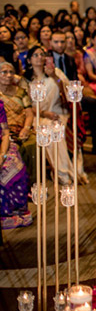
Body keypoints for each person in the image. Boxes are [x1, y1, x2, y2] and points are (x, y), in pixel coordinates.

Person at [24, 46, 80, 185]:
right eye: (35, 55)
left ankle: (64, 172)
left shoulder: (56, 73)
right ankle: (61, 172)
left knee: (55, 129)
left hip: (57, 112)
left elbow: (66, 95)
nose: (39, 57)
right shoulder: (25, 80)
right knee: (45, 128)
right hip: (36, 115)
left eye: (42, 54)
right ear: (29, 60)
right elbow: (26, 105)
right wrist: (43, 113)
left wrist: (55, 77)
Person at [50, 31, 96, 157]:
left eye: (62, 42)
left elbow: (74, 80)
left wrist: (73, 95)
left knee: (95, 104)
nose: (59, 45)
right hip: (54, 99)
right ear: (50, 43)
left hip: (71, 96)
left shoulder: (69, 59)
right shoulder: (47, 60)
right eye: (56, 42)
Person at [0, 98, 32, 230]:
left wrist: (2, 155)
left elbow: (5, 134)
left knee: (14, 167)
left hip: (2, 147)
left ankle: (15, 212)